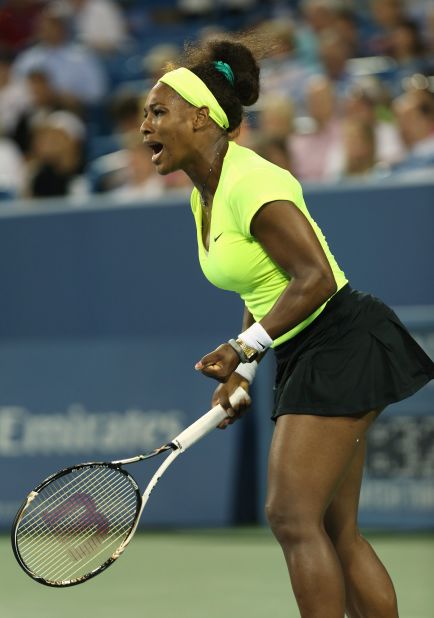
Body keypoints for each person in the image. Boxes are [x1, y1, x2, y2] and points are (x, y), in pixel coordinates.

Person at [140, 36, 434, 617]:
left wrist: (244, 345)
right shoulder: (204, 194)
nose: (145, 126)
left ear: (201, 118)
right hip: (309, 349)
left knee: (290, 515)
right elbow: (261, 284)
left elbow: (315, 278)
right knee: (332, 528)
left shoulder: (252, 181)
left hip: (342, 340)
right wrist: (244, 369)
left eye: (158, 112)